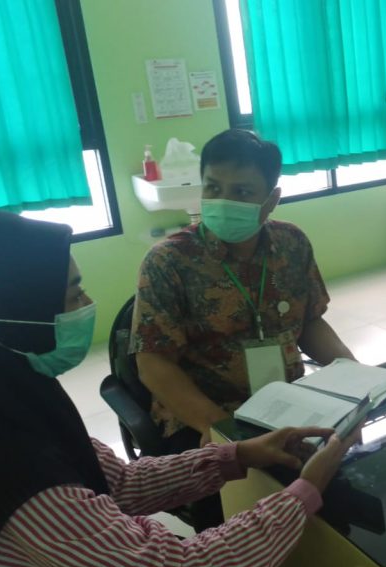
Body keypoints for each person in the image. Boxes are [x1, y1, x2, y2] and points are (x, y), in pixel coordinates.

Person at [0, 211, 356, 567]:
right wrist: (304, 492)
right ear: (11, 314)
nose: (88, 302)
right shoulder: (0, 466)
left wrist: (237, 455)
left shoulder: (2, 394)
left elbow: (116, 482)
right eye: (73, 293)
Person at [133, 129, 354, 452]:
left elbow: (310, 322)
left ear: (271, 200)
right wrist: (225, 432)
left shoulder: (292, 243)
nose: (224, 201)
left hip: (289, 404)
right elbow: (153, 365)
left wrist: (356, 376)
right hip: (202, 417)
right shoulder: (168, 261)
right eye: (213, 187)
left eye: (242, 191)